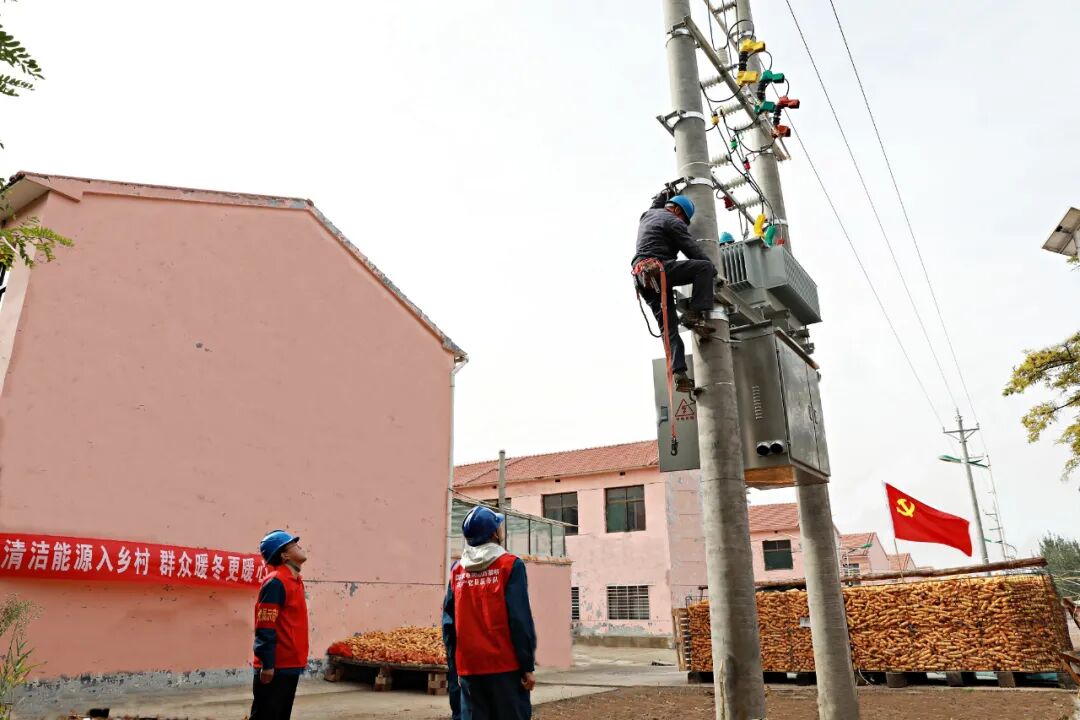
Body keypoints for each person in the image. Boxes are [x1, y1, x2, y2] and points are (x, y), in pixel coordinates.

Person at [442, 506, 537, 720]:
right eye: (498, 526)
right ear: (494, 534)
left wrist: (455, 669)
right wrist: (527, 666)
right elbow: (519, 619)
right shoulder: (510, 565)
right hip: (505, 667)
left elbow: (449, 625)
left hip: (469, 670)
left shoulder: (457, 571)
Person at [633, 192, 720, 392]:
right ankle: (694, 315)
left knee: (668, 327)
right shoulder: (674, 222)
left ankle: (679, 372)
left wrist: (665, 193)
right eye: (685, 220)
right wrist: (713, 271)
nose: (684, 224)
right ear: (679, 211)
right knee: (703, 268)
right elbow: (692, 250)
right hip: (659, 268)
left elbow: (656, 203)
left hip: (642, 278)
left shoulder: (649, 214)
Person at [251, 530, 309, 720]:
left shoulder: (295, 581)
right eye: (294, 545)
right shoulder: (276, 582)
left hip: (290, 664)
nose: (300, 546)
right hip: (276, 667)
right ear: (284, 555)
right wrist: (267, 664)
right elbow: (265, 625)